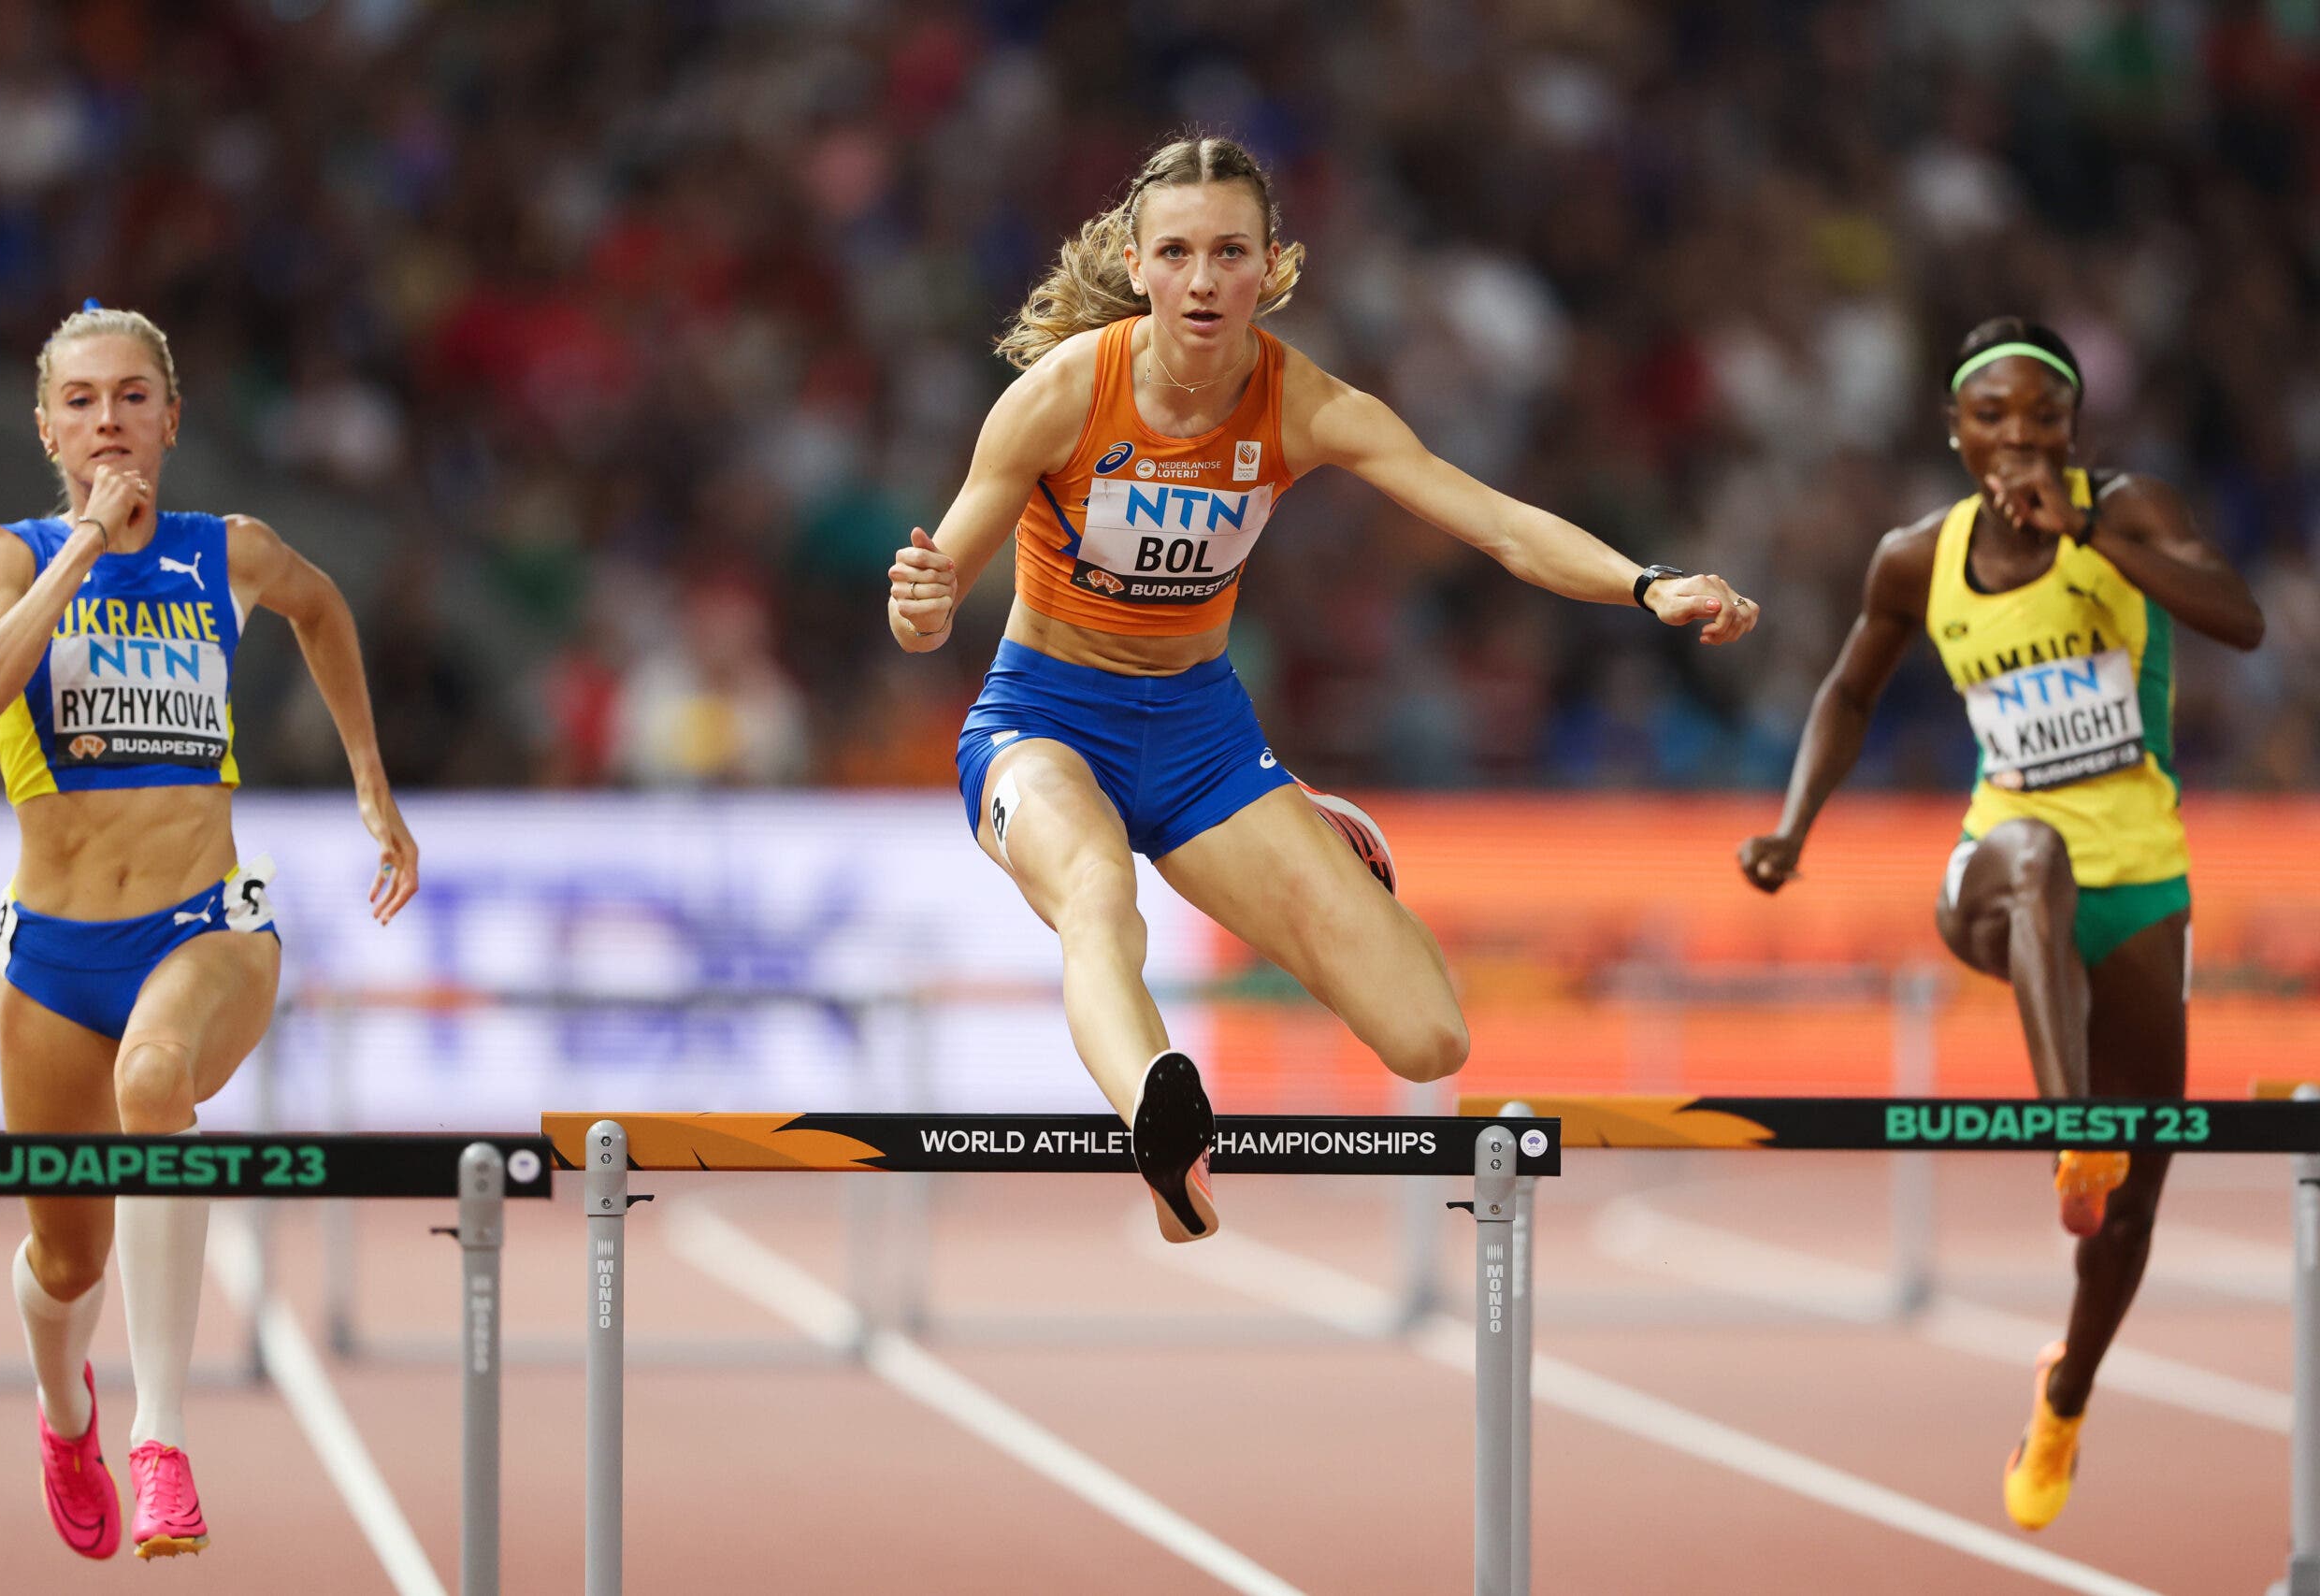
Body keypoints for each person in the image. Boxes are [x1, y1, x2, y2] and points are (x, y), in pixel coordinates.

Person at [887, 135, 1758, 1244]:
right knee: (1098, 895)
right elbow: (941, 580)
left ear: (1271, 265)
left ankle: (1308, 825)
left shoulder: (1303, 403)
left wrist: (1647, 584)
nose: (1203, 282)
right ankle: (1160, 1103)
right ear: (1138, 262)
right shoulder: (1064, 393)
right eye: (1178, 254)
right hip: (1044, 724)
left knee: (1428, 1040)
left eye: (1229, 253)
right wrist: (918, 606)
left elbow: (1492, 522)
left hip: (1203, 740)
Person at [1736, 317, 2264, 1531]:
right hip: (1994, 868)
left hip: (2141, 879)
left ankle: (2066, 1389)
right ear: (1956, 432)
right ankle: (2069, 1127)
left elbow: (2241, 619)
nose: (2019, 439)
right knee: (2032, 856)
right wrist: (1794, 825)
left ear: (2072, 430)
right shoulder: (1918, 557)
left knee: (2135, 1206)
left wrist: (2093, 537)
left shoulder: (2125, 512)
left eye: (2042, 419)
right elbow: (1848, 688)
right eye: (1994, 419)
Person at [0, 303, 421, 1561]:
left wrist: (371, 776)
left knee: (157, 1082)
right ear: (47, 424)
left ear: (172, 416)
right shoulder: (6, 551)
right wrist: (84, 548)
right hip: (53, 952)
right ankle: (67, 1410)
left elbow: (323, 611)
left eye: (134, 396)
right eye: (84, 400)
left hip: (205, 921)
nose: (110, 420)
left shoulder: (232, 550)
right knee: (63, 1256)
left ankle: (162, 1437)